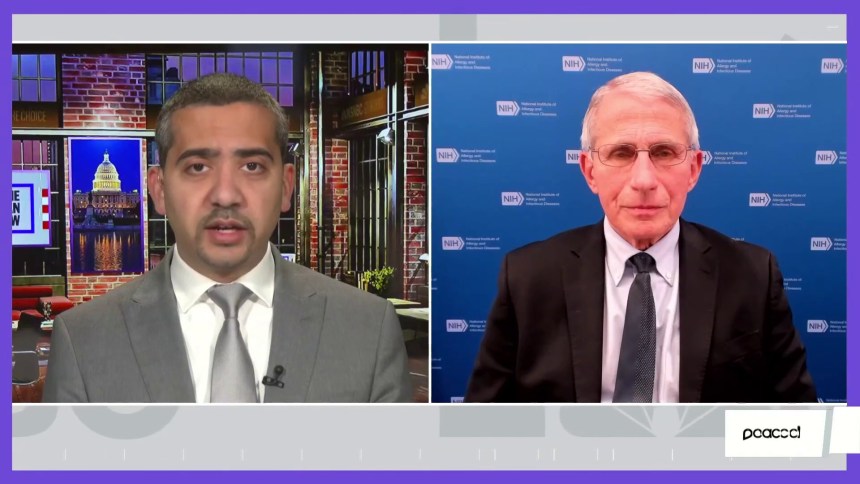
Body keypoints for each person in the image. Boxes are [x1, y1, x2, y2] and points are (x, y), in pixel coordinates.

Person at [43, 73, 412, 403]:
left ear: (286, 187)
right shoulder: (83, 341)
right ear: (159, 190)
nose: (225, 195)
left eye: (252, 166)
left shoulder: (368, 329)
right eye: (198, 167)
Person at [464, 71, 817, 403]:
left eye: (664, 153)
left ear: (694, 169)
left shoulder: (753, 276)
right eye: (621, 153)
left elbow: (801, 429)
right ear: (589, 171)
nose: (644, 180)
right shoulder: (527, 278)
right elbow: (482, 429)